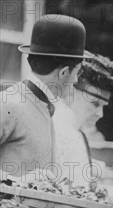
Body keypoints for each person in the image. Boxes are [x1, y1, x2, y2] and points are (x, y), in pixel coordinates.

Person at [0, 14, 88, 178]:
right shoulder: (10, 103)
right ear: (63, 73)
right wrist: (18, 181)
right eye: (77, 72)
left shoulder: (46, 107)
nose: (76, 80)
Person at [53, 51, 113, 185]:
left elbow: (83, 166)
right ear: (70, 92)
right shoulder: (58, 129)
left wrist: (111, 175)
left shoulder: (73, 131)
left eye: (103, 106)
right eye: (95, 103)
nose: (100, 114)